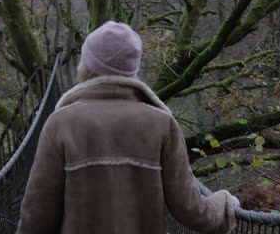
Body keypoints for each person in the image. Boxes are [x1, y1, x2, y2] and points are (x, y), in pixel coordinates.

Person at [17, 21, 238, 234]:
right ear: (133, 69)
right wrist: (225, 205)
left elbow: (36, 217)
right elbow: (191, 209)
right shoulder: (161, 124)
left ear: (86, 66)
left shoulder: (60, 124)